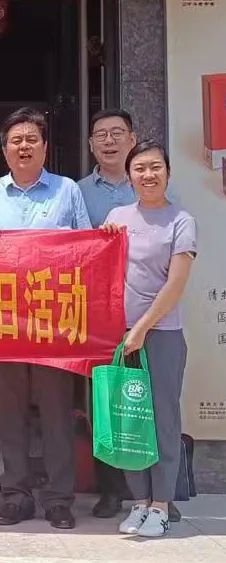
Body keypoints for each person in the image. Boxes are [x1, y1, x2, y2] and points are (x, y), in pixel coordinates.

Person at [0, 107, 92, 530]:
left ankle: (59, 499)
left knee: (57, 412)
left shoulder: (67, 190)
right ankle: (16, 495)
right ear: (4, 150)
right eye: (16, 141)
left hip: (52, 321)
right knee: (7, 414)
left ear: (45, 146)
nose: (24, 147)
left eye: (31, 140)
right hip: (2, 320)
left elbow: (86, 248)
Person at [103, 141, 196, 538]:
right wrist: (104, 238)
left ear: (168, 173)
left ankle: (161, 505)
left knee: (162, 420)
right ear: (129, 176)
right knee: (129, 418)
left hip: (161, 335)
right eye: (139, 168)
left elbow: (175, 285)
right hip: (120, 336)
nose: (148, 174)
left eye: (155, 167)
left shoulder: (181, 220)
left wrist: (141, 329)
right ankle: (139, 501)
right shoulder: (117, 216)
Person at [78, 109, 139, 520]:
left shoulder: (152, 184)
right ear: (90, 144)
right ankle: (111, 489)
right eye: (101, 134)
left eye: (117, 133)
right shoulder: (77, 192)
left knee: (146, 400)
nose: (109, 141)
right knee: (104, 401)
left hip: (144, 311)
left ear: (132, 139)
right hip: (95, 314)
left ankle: (155, 489)